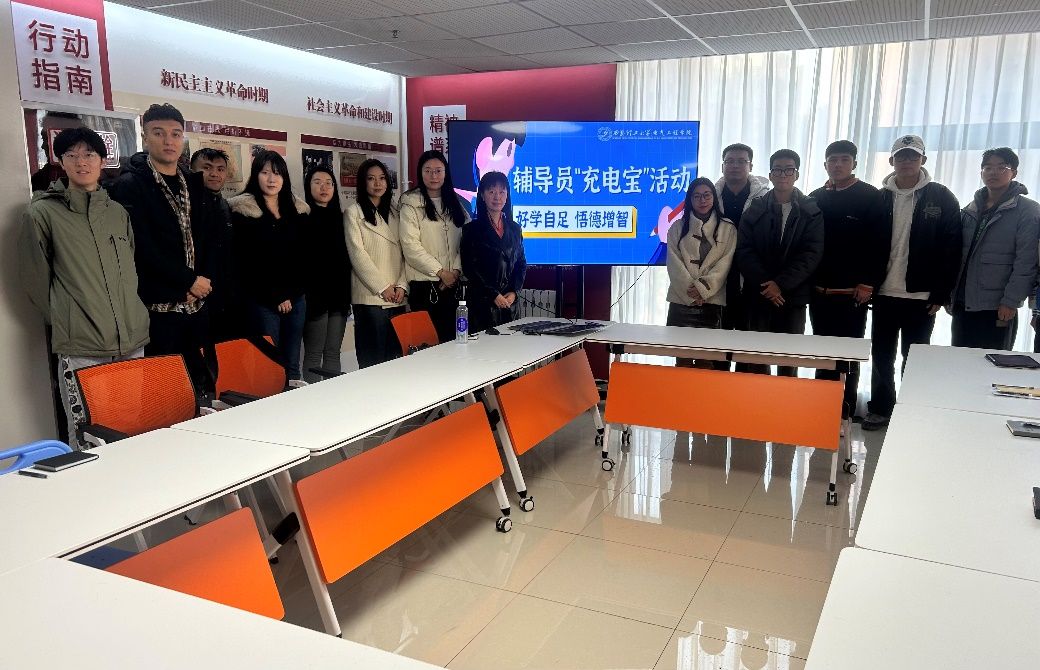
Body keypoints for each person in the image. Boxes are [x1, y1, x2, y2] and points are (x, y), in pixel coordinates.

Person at [20, 127, 150, 447]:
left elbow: (130, 269)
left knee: (131, 422)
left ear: (102, 160)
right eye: (72, 155)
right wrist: (68, 318)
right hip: (82, 345)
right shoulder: (43, 212)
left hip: (131, 338)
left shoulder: (117, 212)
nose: (81, 162)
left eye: (89, 154)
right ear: (60, 162)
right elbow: (34, 278)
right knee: (87, 432)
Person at [108, 103, 221, 399]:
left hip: (197, 305)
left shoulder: (193, 183)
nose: (168, 141)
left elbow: (209, 238)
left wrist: (202, 282)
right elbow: (141, 247)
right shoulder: (129, 185)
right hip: (159, 310)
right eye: (158, 133)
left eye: (175, 134)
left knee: (203, 387)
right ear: (145, 137)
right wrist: (187, 281)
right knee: (165, 393)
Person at [863, 135, 962, 430]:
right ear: (892, 161)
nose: (907, 161)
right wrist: (867, 283)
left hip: (922, 295)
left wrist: (941, 293)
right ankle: (881, 408)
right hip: (884, 292)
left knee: (916, 357)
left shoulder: (941, 197)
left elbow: (952, 248)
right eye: (901, 156)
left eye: (913, 156)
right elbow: (866, 246)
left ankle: (912, 410)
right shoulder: (879, 198)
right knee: (882, 355)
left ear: (923, 160)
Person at [808, 140, 888, 418]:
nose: (838, 165)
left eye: (844, 159)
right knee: (822, 353)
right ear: (825, 164)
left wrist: (868, 282)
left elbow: (880, 244)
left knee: (847, 355)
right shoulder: (815, 196)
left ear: (854, 163)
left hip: (853, 292)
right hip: (819, 292)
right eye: (833, 160)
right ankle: (820, 408)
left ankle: (845, 410)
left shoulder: (870, 196)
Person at [735, 149, 824, 377]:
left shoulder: (811, 210)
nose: (783, 174)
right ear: (770, 174)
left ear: (796, 174)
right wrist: (768, 285)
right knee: (757, 359)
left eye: (788, 170)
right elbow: (744, 250)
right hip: (759, 294)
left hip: (793, 296)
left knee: (789, 360)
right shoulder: (755, 208)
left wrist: (781, 285)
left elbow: (811, 254)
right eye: (777, 170)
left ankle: (785, 401)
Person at [227, 151, 310, 383]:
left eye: (277, 173)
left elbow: (303, 257)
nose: (272, 179)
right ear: (256, 175)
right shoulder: (242, 209)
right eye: (265, 173)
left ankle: (294, 401)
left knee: (292, 363)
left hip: (296, 298)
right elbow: (247, 261)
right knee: (268, 364)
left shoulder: (298, 210)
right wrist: (277, 295)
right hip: (262, 299)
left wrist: (290, 293)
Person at [952, 148, 1039, 350]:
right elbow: (959, 255)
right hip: (964, 302)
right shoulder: (971, 208)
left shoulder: (1027, 210)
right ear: (981, 172)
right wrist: (951, 295)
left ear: (1014, 172)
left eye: (1002, 167)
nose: (994, 172)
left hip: (998, 306)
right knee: (959, 361)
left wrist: (1011, 301)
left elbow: (1026, 262)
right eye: (988, 168)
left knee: (993, 364)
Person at [399, 150, 470, 343]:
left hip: (454, 285)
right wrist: (441, 272)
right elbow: (410, 246)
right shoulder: (410, 203)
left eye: (438, 170)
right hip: (425, 286)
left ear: (446, 173)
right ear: (420, 173)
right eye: (428, 170)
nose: (433, 176)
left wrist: (455, 271)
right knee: (427, 345)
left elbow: (467, 240)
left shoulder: (455, 202)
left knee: (455, 343)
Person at [666, 177, 737, 367]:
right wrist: (691, 291)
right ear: (690, 200)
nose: (702, 200)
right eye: (696, 196)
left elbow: (725, 263)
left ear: (714, 197)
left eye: (707, 195)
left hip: (712, 302)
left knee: (706, 363)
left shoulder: (728, 228)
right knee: (682, 362)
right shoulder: (677, 227)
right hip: (682, 301)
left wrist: (703, 288)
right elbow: (673, 263)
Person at [344, 158, 407, 368]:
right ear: (363, 183)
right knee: (373, 362)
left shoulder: (396, 212)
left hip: (397, 296)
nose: (377, 183)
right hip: (370, 296)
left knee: (395, 359)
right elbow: (357, 254)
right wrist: (382, 287)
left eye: (382, 178)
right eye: (371, 179)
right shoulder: (354, 213)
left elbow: (407, 251)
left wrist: (402, 285)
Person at [715, 144, 772, 338]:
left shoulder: (765, 197)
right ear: (722, 166)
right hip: (719, 273)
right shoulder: (711, 196)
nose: (735, 166)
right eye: (729, 161)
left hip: (753, 276)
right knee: (718, 340)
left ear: (751, 166)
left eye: (741, 161)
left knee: (750, 341)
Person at [301, 167, 351, 382]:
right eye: (317, 182)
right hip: (314, 297)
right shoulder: (301, 217)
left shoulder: (343, 218)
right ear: (308, 186)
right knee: (314, 354)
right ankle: (312, 399)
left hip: (339, 296)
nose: (324, 187)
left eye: (329, 183)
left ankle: (334, 398)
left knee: (333, 352)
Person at [461, 171, 527, 334]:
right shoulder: (471, 229)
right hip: (482, 304)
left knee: (512, 346)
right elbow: (469, 268)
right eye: (491, 191)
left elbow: (521, 264)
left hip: (509, 304)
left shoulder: (515, 228)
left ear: (507, 195)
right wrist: (493, 294)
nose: (497, 197)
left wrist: (514, 292)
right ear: (482, 196)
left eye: (502, 192)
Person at [189, 148, 236, 342]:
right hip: (195, 295)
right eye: (207, 168)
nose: (214, 174)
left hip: (224, 296)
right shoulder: (186, 205)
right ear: (192, 170)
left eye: (220, 169)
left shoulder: (225, 205)